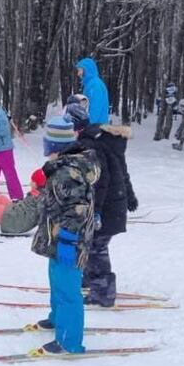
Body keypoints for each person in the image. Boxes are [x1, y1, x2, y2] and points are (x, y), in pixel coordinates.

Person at [29, 116, 100, 355]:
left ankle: (69, 341)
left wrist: (69, 241)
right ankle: (58, 319)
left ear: (55, 147)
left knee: (68, 290)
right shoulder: (59, 169)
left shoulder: (67, 172)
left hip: (70, 242)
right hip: (57, 238)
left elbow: (76, 208)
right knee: (56, 281)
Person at [64, 102, 138, 307]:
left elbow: (102, 180)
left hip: (106, 206)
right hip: (113, 202)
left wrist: (96, 212)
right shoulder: (102, 140)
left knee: (96, 247)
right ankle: (91, 279)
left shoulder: (91, 146)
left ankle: (104, 292)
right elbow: (122, 170)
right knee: (90, 243)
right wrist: (129, 197)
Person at [75, 58, 110, 124]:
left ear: (86, 70)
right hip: (92, 127)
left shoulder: (95, 85)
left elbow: (95, 108)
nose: (78, 74)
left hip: (97, 127)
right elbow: (85, 106)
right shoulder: (89, 84)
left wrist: (86, 124)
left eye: (80, 70)